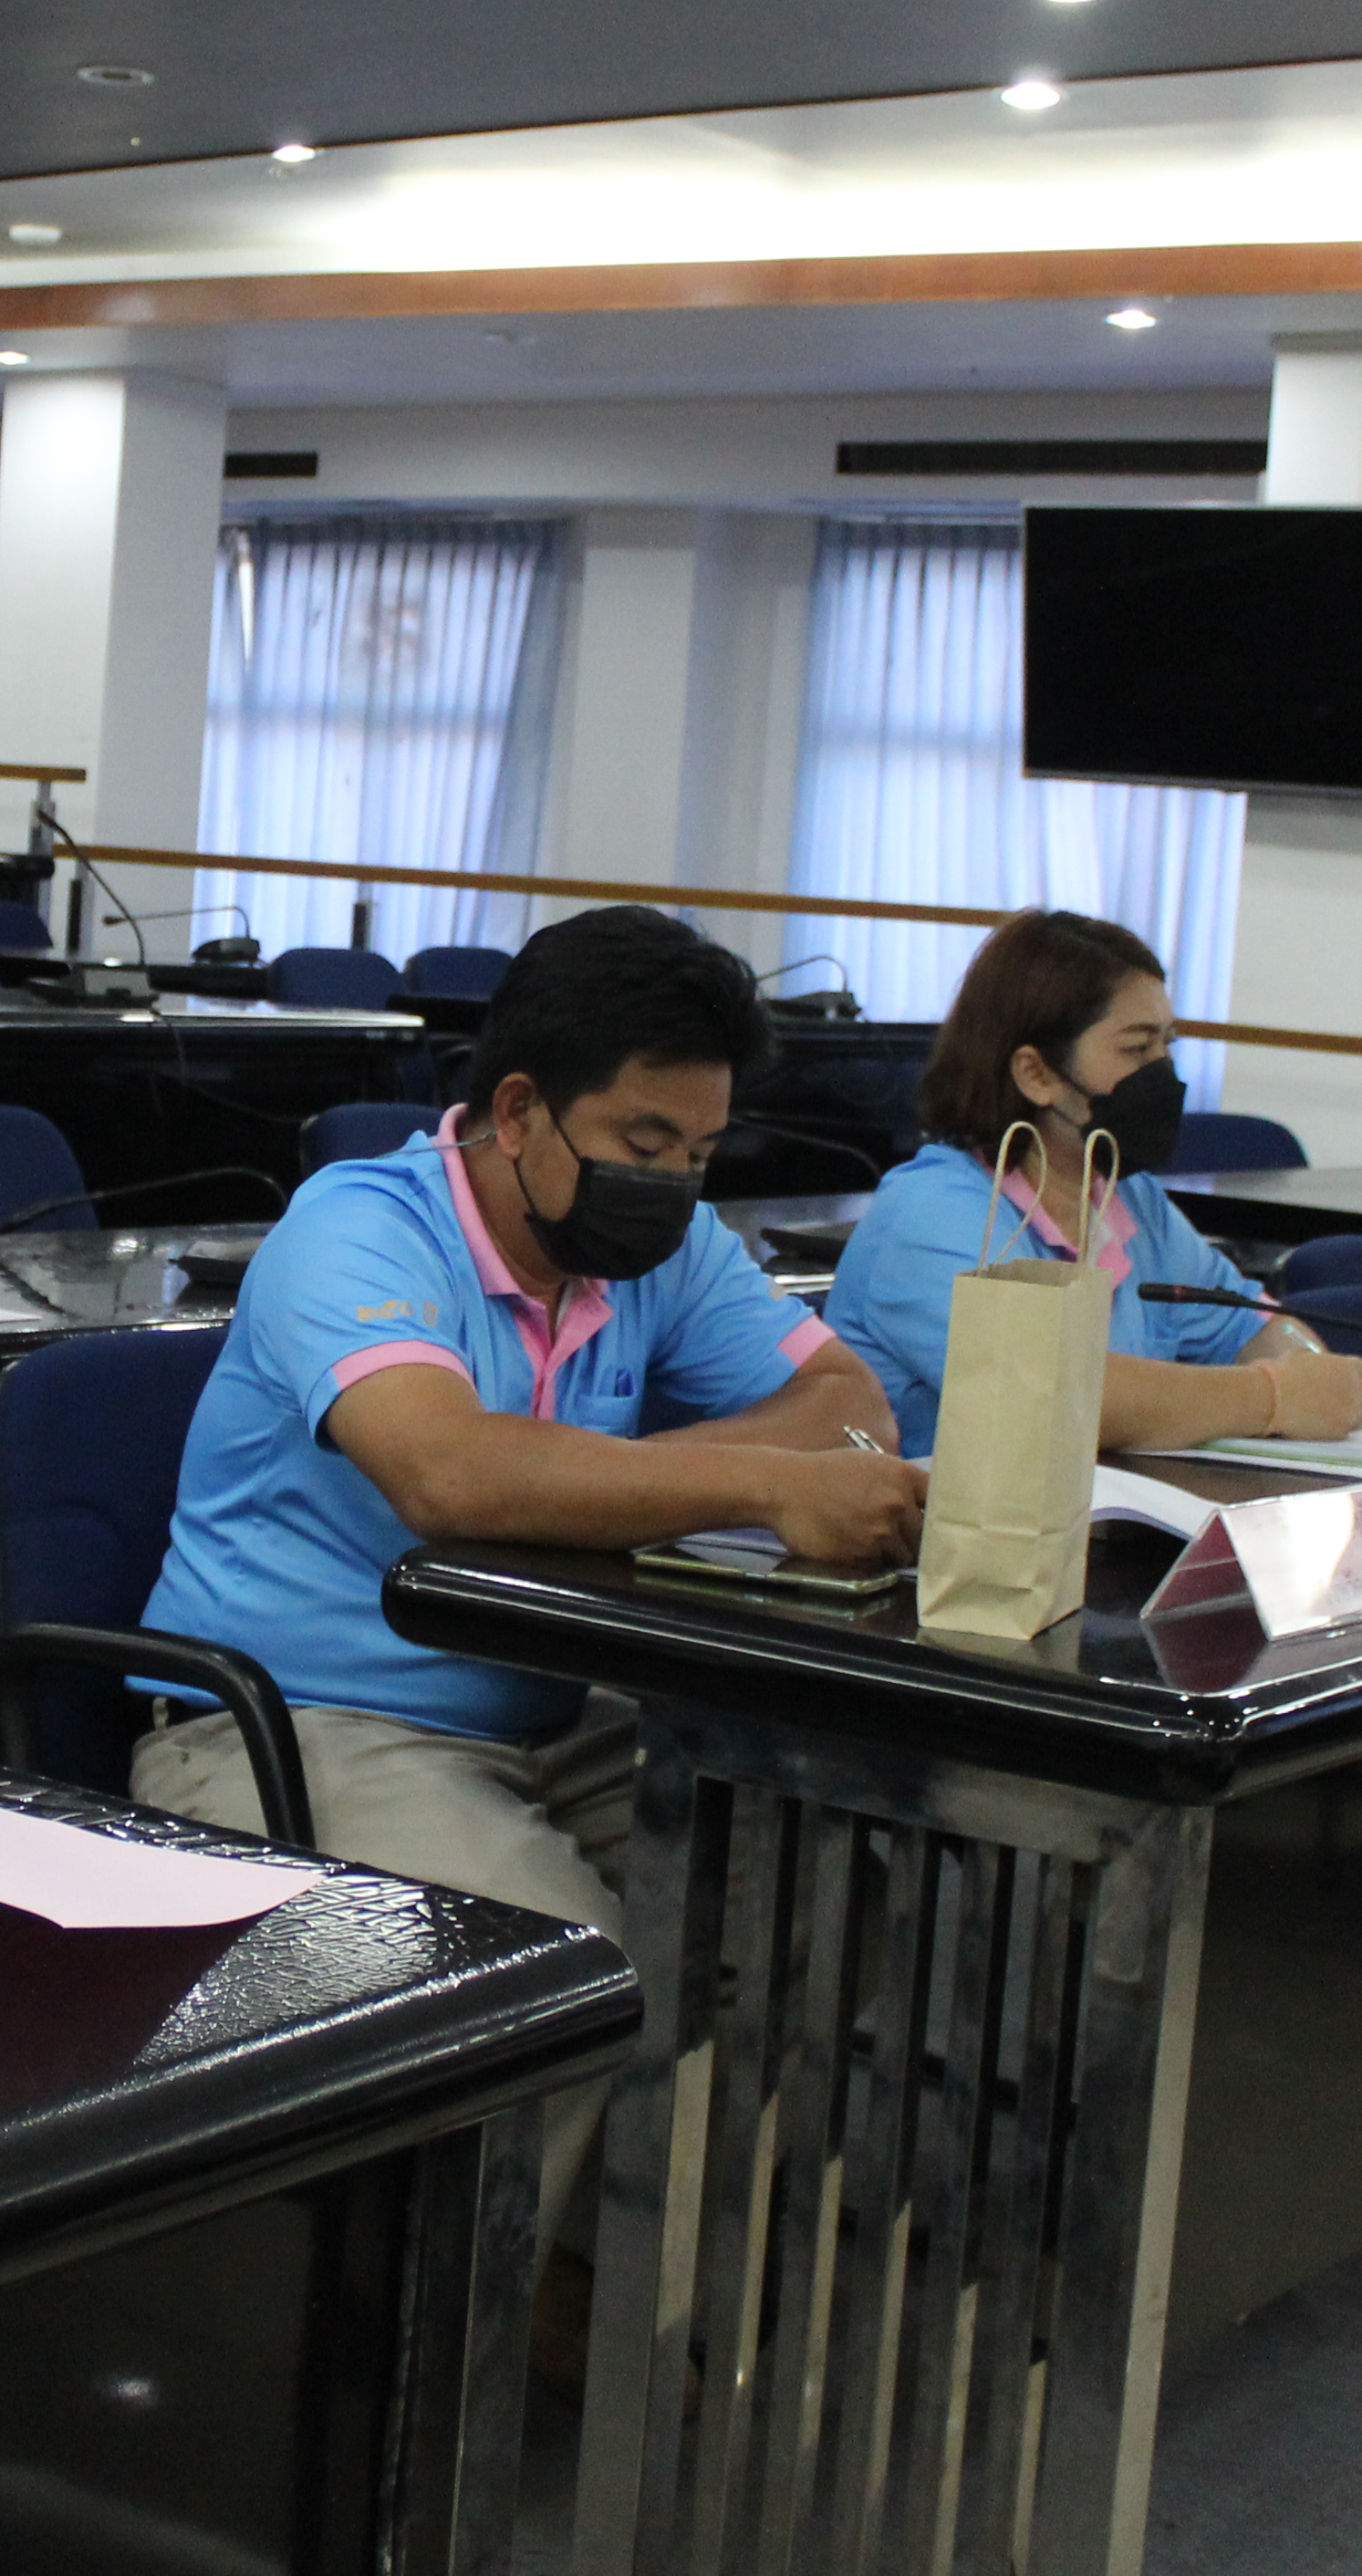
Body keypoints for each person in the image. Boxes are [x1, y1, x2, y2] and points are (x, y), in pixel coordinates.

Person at [134, 906, 926, 2239]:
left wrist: (624, 1470)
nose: (674, 1181)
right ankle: (442, 2383)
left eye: (703, 1150)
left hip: (554, 1708)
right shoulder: (362, 1229)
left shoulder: (657, 1249)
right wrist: (756, 1479)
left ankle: (623, 2273)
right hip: (294, 1720)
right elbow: (448, 1476)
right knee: (564, 1966)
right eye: (642, 1143)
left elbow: (854, 1409)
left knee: (826, 1873)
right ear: (519, 1111)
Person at [824, 911, 1362, 1456]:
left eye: (1167, 1046)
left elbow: (1246, 1325)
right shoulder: (933, 1214)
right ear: (1035, 1074)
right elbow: (1056, 1394)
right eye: (1136, 1049)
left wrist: (1307, 1367)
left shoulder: (1124, 1196)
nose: (1163, 1074)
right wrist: (1273, 1397)